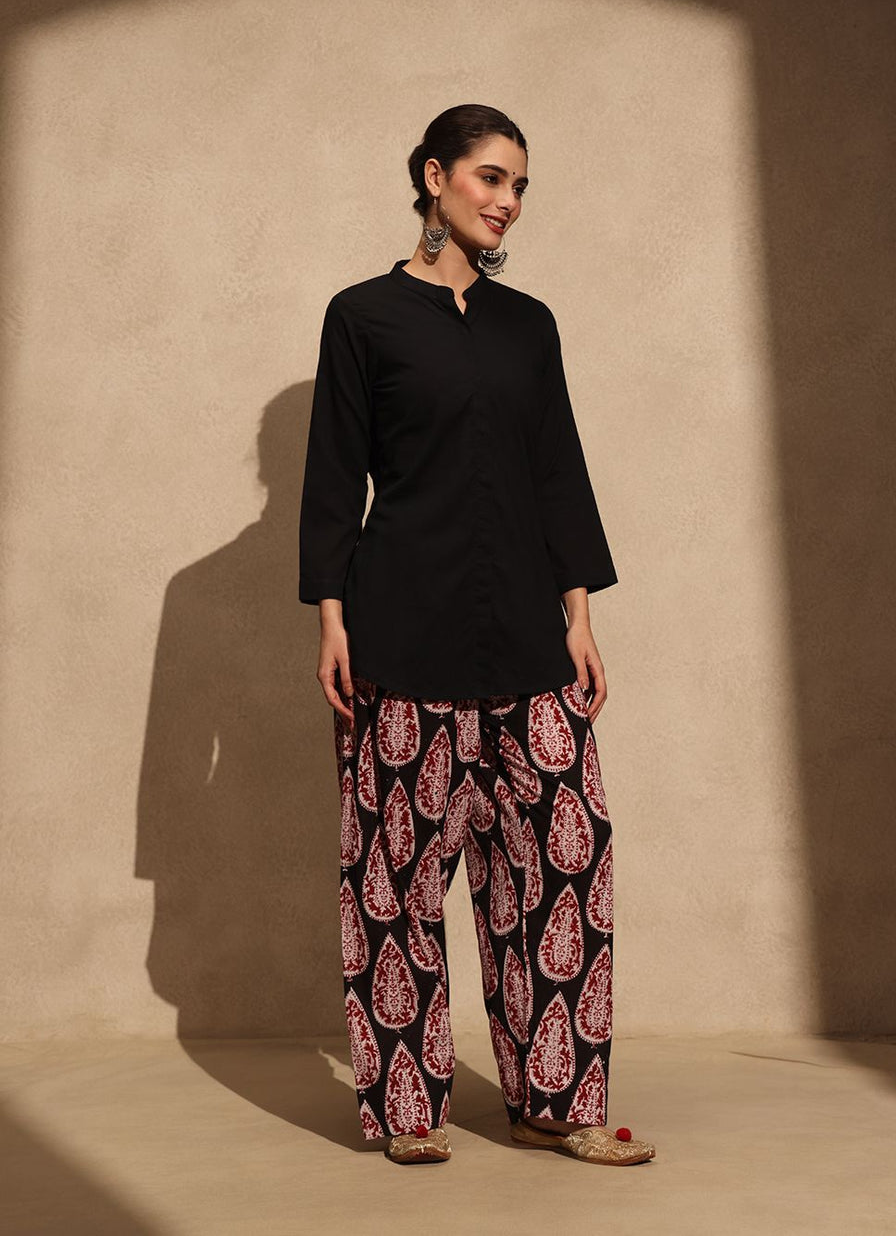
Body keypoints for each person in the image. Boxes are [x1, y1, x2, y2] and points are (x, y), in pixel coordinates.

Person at [298, 104, 654, 1167]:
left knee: (564, 865)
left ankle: (557, 1102)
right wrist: (332, 619)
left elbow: (557, 468)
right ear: (433, 176)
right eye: (491, 178)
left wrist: (580, 612)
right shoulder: (362, 316)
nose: (507, 201)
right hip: (402, 635)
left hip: (526, 642)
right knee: (396, 882)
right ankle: (409, 1106)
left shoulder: (527, 325)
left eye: (519, 186)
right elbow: (335, 476)